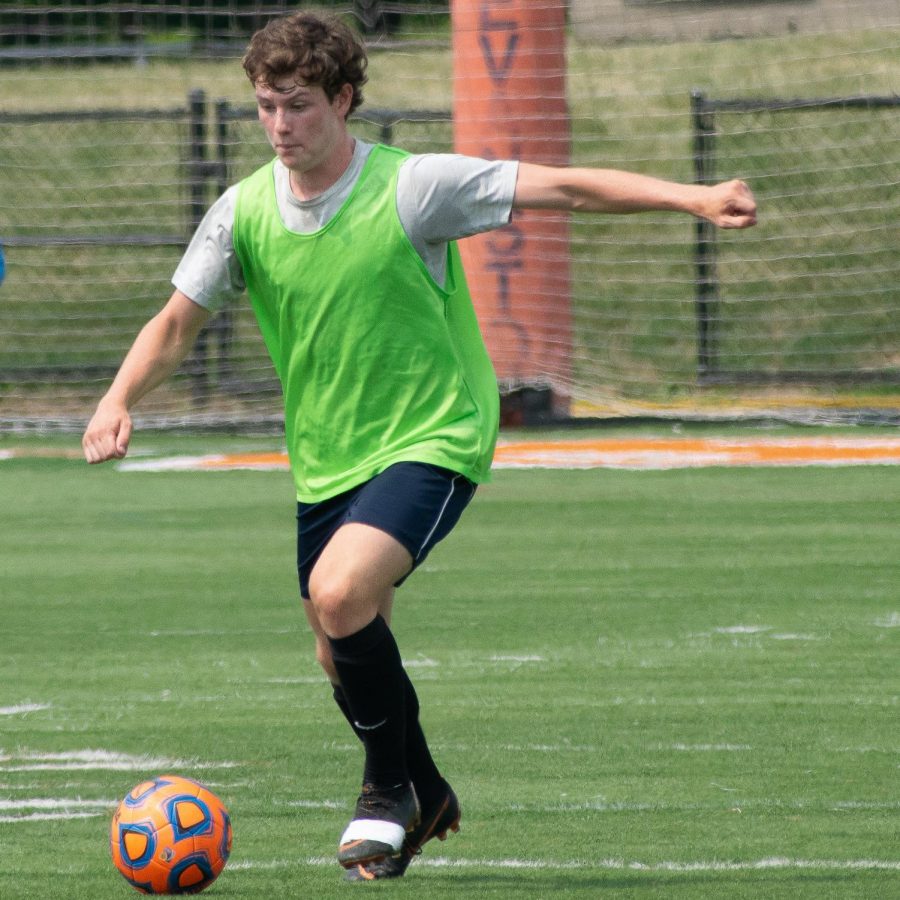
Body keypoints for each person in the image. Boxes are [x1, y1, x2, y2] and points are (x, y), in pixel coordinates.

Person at [82, 10, 757, 883]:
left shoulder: (414, 187)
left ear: (344, 99)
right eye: (266, 108)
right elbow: (176, 325)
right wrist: (117, 397)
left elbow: (565, 189)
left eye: (298, 105)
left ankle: (386, 792)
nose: (281, 126)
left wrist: (694, 198)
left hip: (435, 434)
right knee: (336, 644)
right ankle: (424, 788)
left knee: (339, 589)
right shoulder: (243, 210)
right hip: (328, 456)